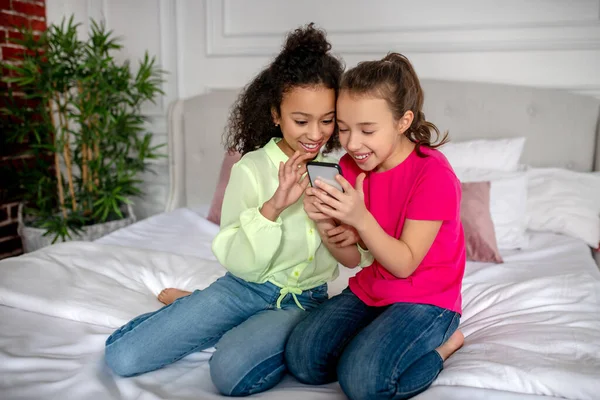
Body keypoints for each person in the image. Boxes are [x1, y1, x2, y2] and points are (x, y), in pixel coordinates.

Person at [104, 23, 366, 397]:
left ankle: (214, 315)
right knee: (123, 358)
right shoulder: (252, 168)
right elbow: (238, 260)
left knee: (230, 374)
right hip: (243, 287)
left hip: (302, 301)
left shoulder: (341, 174)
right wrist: (275, 206)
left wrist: (337, 229)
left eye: (327, 120)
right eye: (301, 120)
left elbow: (355, 258)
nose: (315, 134)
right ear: (276, 114)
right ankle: (199, 309)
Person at [285, 52, 466, 400]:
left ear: (403, 122)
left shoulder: (433, 176)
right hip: (375, 289)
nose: (352, 143)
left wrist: (360, 219)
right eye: (343, 129)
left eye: (367, 130)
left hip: (427, 299)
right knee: (303, 360)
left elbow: (405, 264)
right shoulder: (351, 167)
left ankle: (444, 348)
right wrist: (326, 224)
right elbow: (351, 259)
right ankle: (374, 337)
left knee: (363, 383)